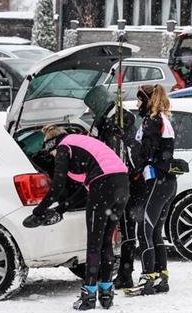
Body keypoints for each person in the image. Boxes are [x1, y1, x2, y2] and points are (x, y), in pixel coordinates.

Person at [25, 125, 129, 310]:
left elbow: (57, 186)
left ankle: (88, 296)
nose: (55, 158)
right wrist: (61, 209)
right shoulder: (81, 143)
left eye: (52, 155)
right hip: (122, 183)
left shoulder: (64, 146)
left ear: (51, 145)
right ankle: (106, 294)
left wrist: (38, 212)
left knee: (94, 244)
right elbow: (85, 190)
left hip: (104, 183)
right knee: (105, 241)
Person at [83, 86, 146, 290]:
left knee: (127, 229)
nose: (92, 113)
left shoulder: (120, 120)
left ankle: (125, 274)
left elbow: (124, 150)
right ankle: (115, 273)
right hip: (121, 180)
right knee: (120, 230)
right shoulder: (111, 119)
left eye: (92, 108)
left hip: (127, 182)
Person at [127, 84, 177, 296]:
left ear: (147, 101)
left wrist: (127, 139)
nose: (137, 104)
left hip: (158, 181)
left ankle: (147, 278)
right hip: (167, 182)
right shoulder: (162, 119)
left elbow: (145, 153)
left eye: (139, 100)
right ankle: (161, 276)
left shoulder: (153, 121)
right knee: (155, 230)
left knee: (144, 229)